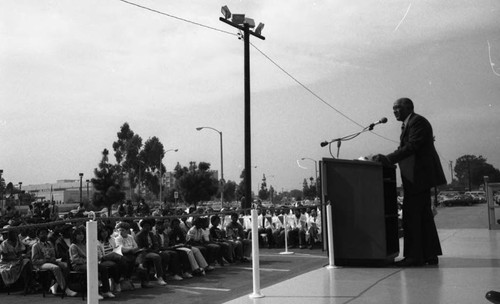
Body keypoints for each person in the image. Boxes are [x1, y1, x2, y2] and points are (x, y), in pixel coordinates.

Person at [373, 97, 446, 267]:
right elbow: (404, 148)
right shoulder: (409, 123)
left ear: (409, 108)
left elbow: (412, 146)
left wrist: (388, 159)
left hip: (418, 177)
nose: (394, 111)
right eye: (393, 108)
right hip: (417, 177)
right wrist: (388, 158)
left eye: (398, 108)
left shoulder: (417, 122)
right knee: (423, 217)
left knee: (412, 217)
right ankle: (429, 254)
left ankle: (414, 257)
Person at [31, 227, 77, 297]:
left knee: (66, 265)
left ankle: (55, 285)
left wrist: (53, 259)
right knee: (55, 268)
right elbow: (34, 260)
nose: (44, 235)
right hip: (41, 264)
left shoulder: (49, 243)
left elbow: (53, 255)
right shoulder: (35, 246)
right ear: (38, 235)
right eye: (42, 234)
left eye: (45, 233)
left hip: (51, 261)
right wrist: (45, 260)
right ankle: (65, 289)